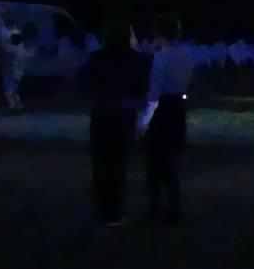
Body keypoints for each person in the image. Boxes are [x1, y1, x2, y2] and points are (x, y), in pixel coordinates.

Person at [80, 17, 150, 225]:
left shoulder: (97, 58)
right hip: (124, 115)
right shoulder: (138, 60)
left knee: (101, 163)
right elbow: (144, 87)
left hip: (102, 113)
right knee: (118, 164)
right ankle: (115, 211)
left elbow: (84, 83)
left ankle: (102, 209)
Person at [143, 12, 194, 225]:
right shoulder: (185, 55)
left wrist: (144, 121)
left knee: (155, 162)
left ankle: (157, 209)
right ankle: (173, 207)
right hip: (177, 107)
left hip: (162, 109)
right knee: (167, 161)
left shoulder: (162, 57)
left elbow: (154, 92)